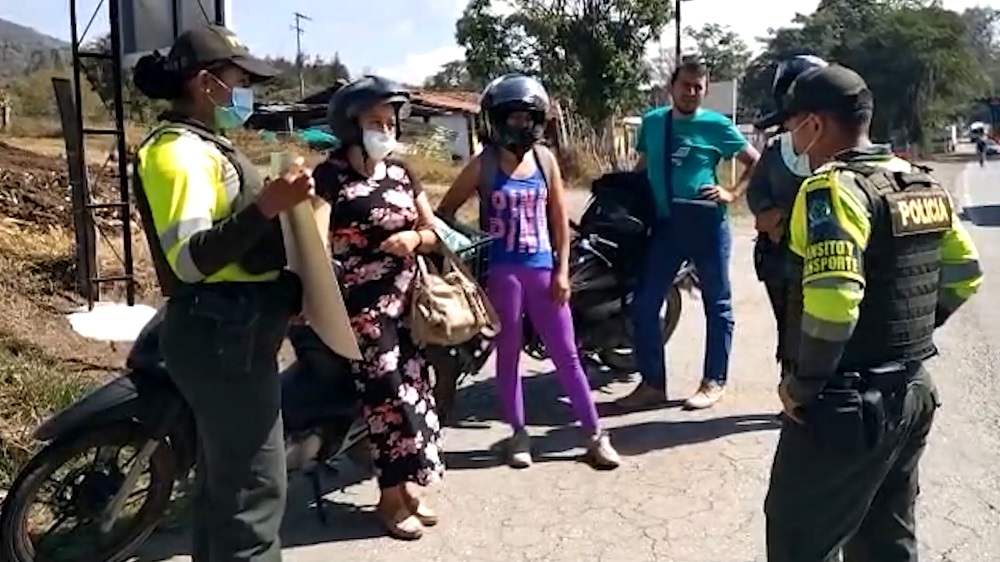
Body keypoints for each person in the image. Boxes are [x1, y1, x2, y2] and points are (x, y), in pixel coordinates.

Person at [763, 64, 983, 562]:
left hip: (845, 406)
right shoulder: (917, 182)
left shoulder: (830, 190)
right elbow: (965, 271)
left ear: (813, 124)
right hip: (911, 392)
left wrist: (803, 386)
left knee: (799, 541)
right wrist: (901, 337)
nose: (788, 137)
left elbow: (836, 301)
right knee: (886, 540)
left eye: (790, 124)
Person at [132, 25, 313, 562]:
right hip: (221, 338)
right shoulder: (178, 154)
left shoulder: (208, 145)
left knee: (226, 490)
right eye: (240, 79)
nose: (246, 91)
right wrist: (268, 207)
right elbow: (191, 261)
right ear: (207, 84)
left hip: (232, 334)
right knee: (253, 497)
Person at [437, 74, 621, 470]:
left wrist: (562, 272)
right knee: (507, 357)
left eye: (529, 118)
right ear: (497, 120)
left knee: (568, 356)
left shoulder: (544, 160)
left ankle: (594, 434)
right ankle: (518, 435)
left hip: (543, 272)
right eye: (513, 117)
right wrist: (474, 243)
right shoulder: (482, 165)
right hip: (502, 276)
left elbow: (558, 220)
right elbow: (444, 213)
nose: (522, 126)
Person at [312, 75, 444, 541]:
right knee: (389, 399)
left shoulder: (403, 173)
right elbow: (313, 240)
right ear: (351, 125)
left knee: (417, 395)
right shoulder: (330, 175)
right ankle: (389, 499)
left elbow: (434, 233)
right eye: (375, 122)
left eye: (390, 122)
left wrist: (415, 238)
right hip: (361, 312)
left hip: (409, 306)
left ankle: (409, 486)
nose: (385, 130)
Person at [620, 57, 760, 411]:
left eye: (699, 88)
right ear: (672, 86)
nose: (692, 93)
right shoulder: (652, 124)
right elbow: (642, 168)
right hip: (666, 225)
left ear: (705, 90)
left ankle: (714, 381)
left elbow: (756, 161)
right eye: (687, 85)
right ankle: (652, 384)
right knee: (645, 303)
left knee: (718, 304)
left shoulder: (716, 125)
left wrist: (732, 192)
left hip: (707, 224)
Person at [748, 55, 829, 370]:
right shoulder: (774, 150)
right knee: (788, 329)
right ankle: (791, 384)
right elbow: (756, 192)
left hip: (824, 260)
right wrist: (770, 215)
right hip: (779, 260)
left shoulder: (840, 152)